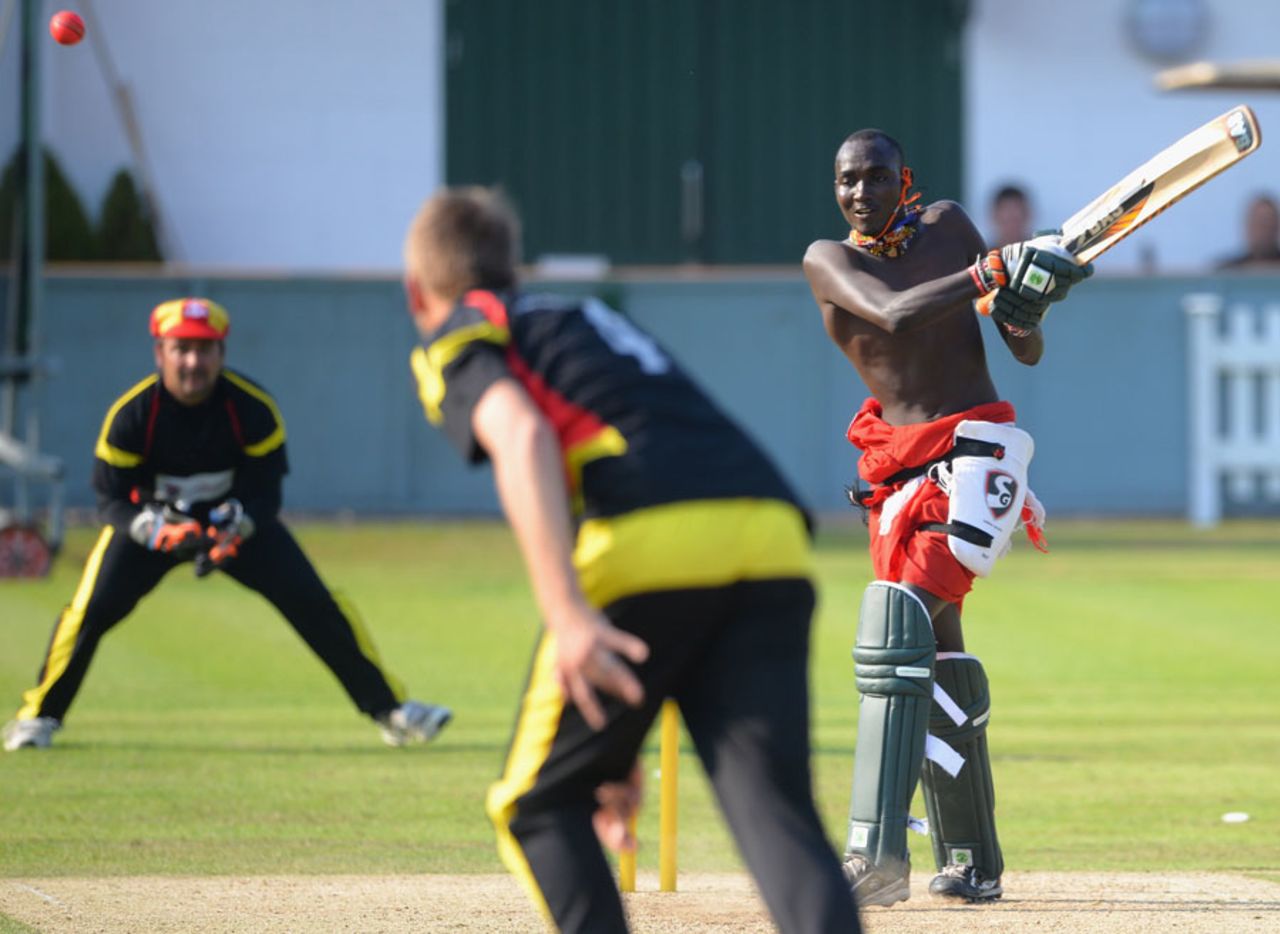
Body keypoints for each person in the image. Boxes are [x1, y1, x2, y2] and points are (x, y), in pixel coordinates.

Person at [401, 186, 861, 934]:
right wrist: (612, 753)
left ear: (416, 290)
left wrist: (567, 616)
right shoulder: (583, 316)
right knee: (782, 821)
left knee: (534, 806)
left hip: (648, 533)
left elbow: (522, 439)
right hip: (770, 531)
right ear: (512, 265)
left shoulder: (461, 329)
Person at [802, 129, 1092, 906]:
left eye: (877, 177)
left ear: (908, 180)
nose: (861, 193)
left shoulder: (952, 226)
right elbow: (893, 315)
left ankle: (877, 855)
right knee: (936, 652)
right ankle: (975, 859)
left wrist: (1026, 311)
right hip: (897, 472)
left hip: (977, 452)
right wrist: (993, 270)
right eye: (847, 180)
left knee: (897, 628)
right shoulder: (829, 260)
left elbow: (1019, 349)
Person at [2, 298, 451, 752]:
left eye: (205, 349)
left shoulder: (252, 408)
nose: (193, 361)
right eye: (181, 349)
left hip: (234, 530)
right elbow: (109, 500)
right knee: (88, 612)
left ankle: (390, 710)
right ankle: (38, 717)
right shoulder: (132, 415)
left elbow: (267, 494)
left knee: (317, 606)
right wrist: (152, 531)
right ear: (160, 353)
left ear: (221, 353)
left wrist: (241, 527)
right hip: (151, 532)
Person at [1218, 193, 1280, 269]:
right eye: (1259, 223)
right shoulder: (1228, 272)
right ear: (1248, 226)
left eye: (1268, 223)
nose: (1264, 230)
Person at [988, 184, 1033, 249]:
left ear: (1027, 215)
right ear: (994, 216)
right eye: (1007, 220)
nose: (1012, 226)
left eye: (1016, 220)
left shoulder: (1042, 254)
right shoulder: (983, 256)